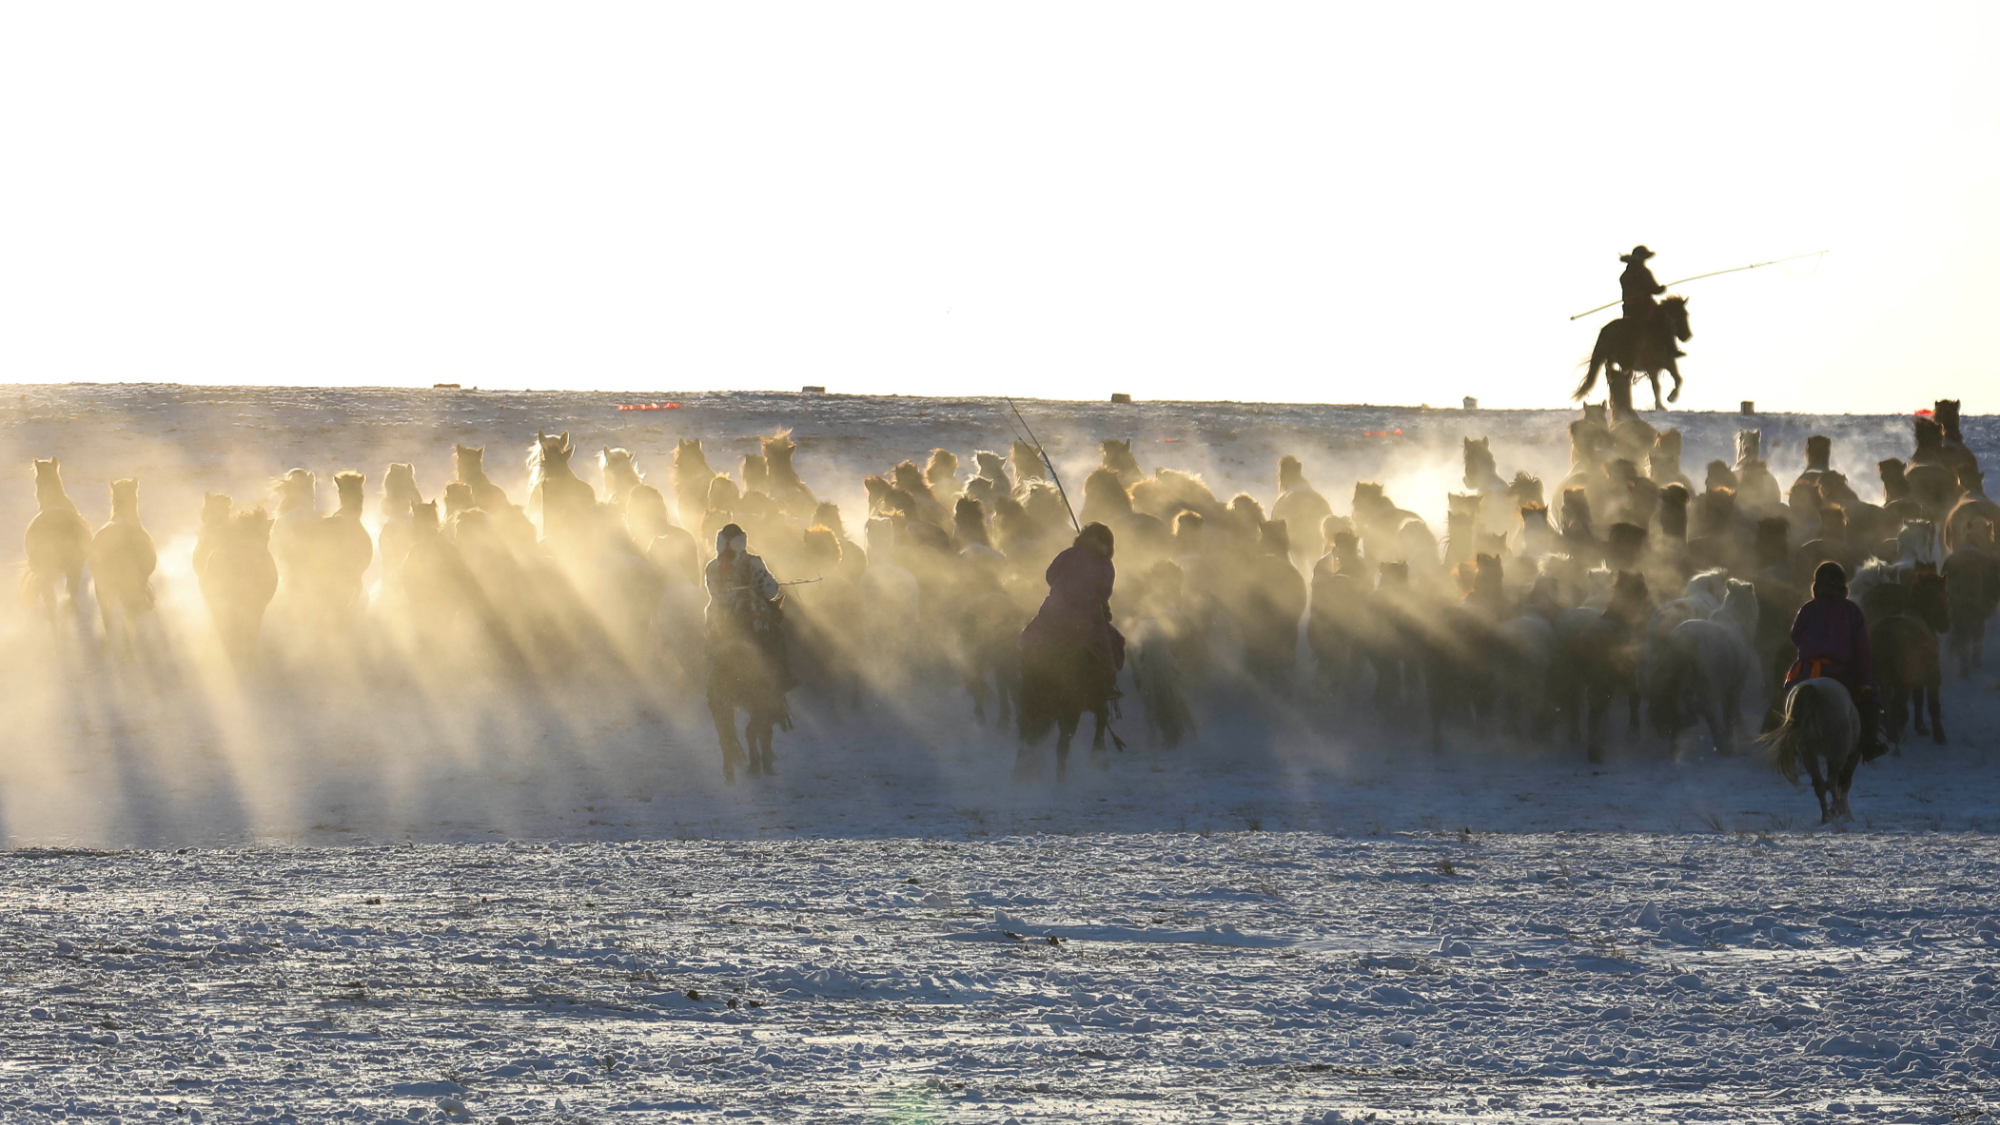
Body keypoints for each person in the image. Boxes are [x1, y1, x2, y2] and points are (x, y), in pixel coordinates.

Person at [1783, 561, 1883, 758]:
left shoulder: (1807, 608)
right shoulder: (1852, 611)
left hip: (1807, 671)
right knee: (1871, 701)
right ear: (1842, 588)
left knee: (1787, 698)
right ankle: (1870, 744)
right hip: (1841, 673)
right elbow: (1862, 649)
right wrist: (1865, 681)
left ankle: (1787, 740)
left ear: (1816, 587)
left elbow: (1795, 637)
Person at [704, 522, 793, 690]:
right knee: (778, 637)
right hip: (751, 618)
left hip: (720, 621)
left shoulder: (711, 567)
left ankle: (707, 682)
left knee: (708, 646)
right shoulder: (754, 563)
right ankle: (783, 679)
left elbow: (713, 593)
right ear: (742, 541)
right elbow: (771, 591)